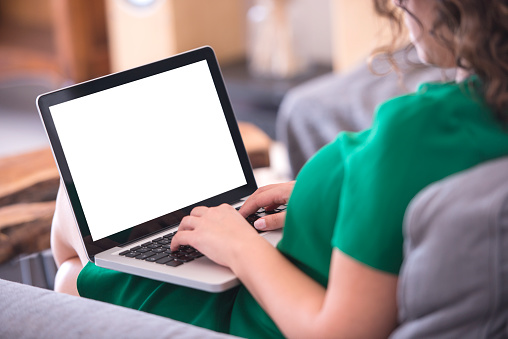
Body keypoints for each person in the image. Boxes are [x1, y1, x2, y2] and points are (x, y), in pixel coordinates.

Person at [52, 0, 508, 337]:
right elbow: (403, 205)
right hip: (302, 254)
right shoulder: (483, 112)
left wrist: (239, 247)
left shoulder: (413, 131)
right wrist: (326, 199)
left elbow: (336, 332)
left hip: (255, 314)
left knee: (71, 253)